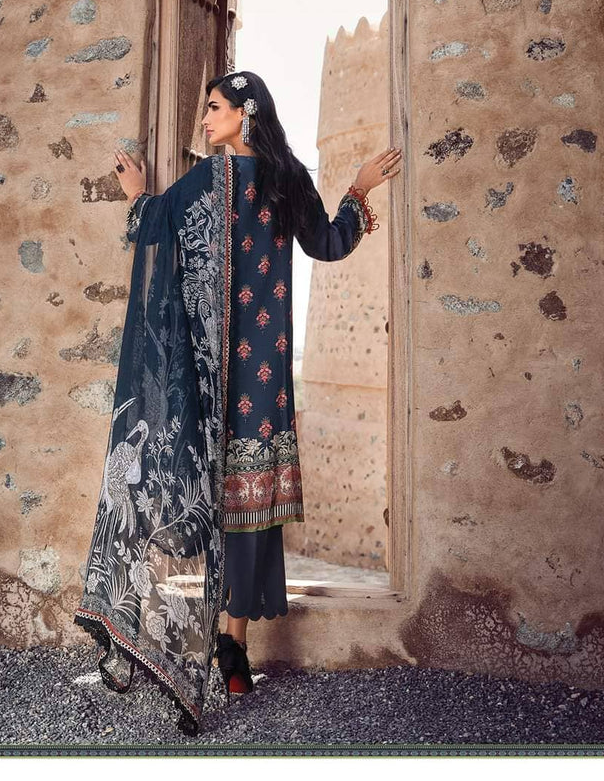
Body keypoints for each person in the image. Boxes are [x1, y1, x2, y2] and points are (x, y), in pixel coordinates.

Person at [74, 71, 401, 736]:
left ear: (245, 114)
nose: (205, 120)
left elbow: (152, 225)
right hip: (265, 378)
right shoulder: (288, 181)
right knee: (252, 507)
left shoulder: (205, 182)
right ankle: (232, 647)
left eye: (214, 108)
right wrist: (359, 189)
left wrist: (136, 194)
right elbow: (330, 242)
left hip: (206, 374)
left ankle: (165, 636)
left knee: (199, 495)